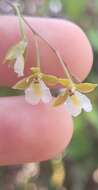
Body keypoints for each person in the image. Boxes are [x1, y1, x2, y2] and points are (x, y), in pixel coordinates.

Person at [0, 16, 93, 165]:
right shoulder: (40, 79)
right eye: (70, 91)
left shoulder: (62, 89)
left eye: (71, 92)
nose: (70, 92)